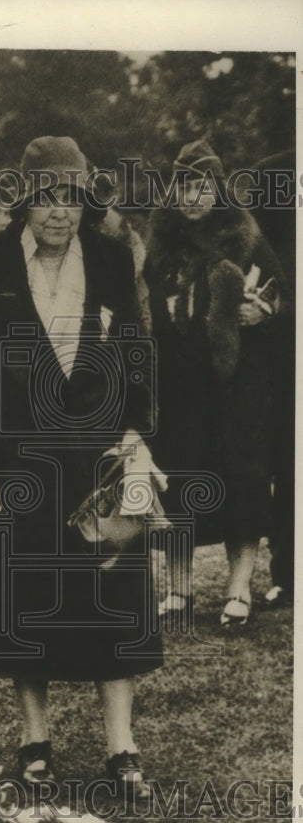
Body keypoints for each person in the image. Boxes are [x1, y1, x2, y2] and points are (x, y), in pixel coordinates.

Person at [0, 136, 163, 797]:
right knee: (25, 599)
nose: (58, 213)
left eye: (70, 198)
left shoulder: (109, 256)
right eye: (44, 198)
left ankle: (120, 747)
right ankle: (34, 741)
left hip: (98, 456)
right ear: (25, 202)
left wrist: (136, 432)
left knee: (112, 598)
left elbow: (136, 346)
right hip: (19, 460)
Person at [145, 140, 286, 627]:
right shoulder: (162, 245)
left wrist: (263, 310)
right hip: (181, 384)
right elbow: (147, 303)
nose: (192, 197)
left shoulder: (247, 236)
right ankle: (179, 591)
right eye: (183, 187)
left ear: (218, 190)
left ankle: (239, 588)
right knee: (181, 477)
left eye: (202, 187)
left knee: (242, 477)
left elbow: (282, 295)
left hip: (238, 382)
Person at [249, 151, 295, 610]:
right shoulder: (275, 173)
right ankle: (288, 573)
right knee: (288, 460)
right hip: (285, 351)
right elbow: (255, 256)